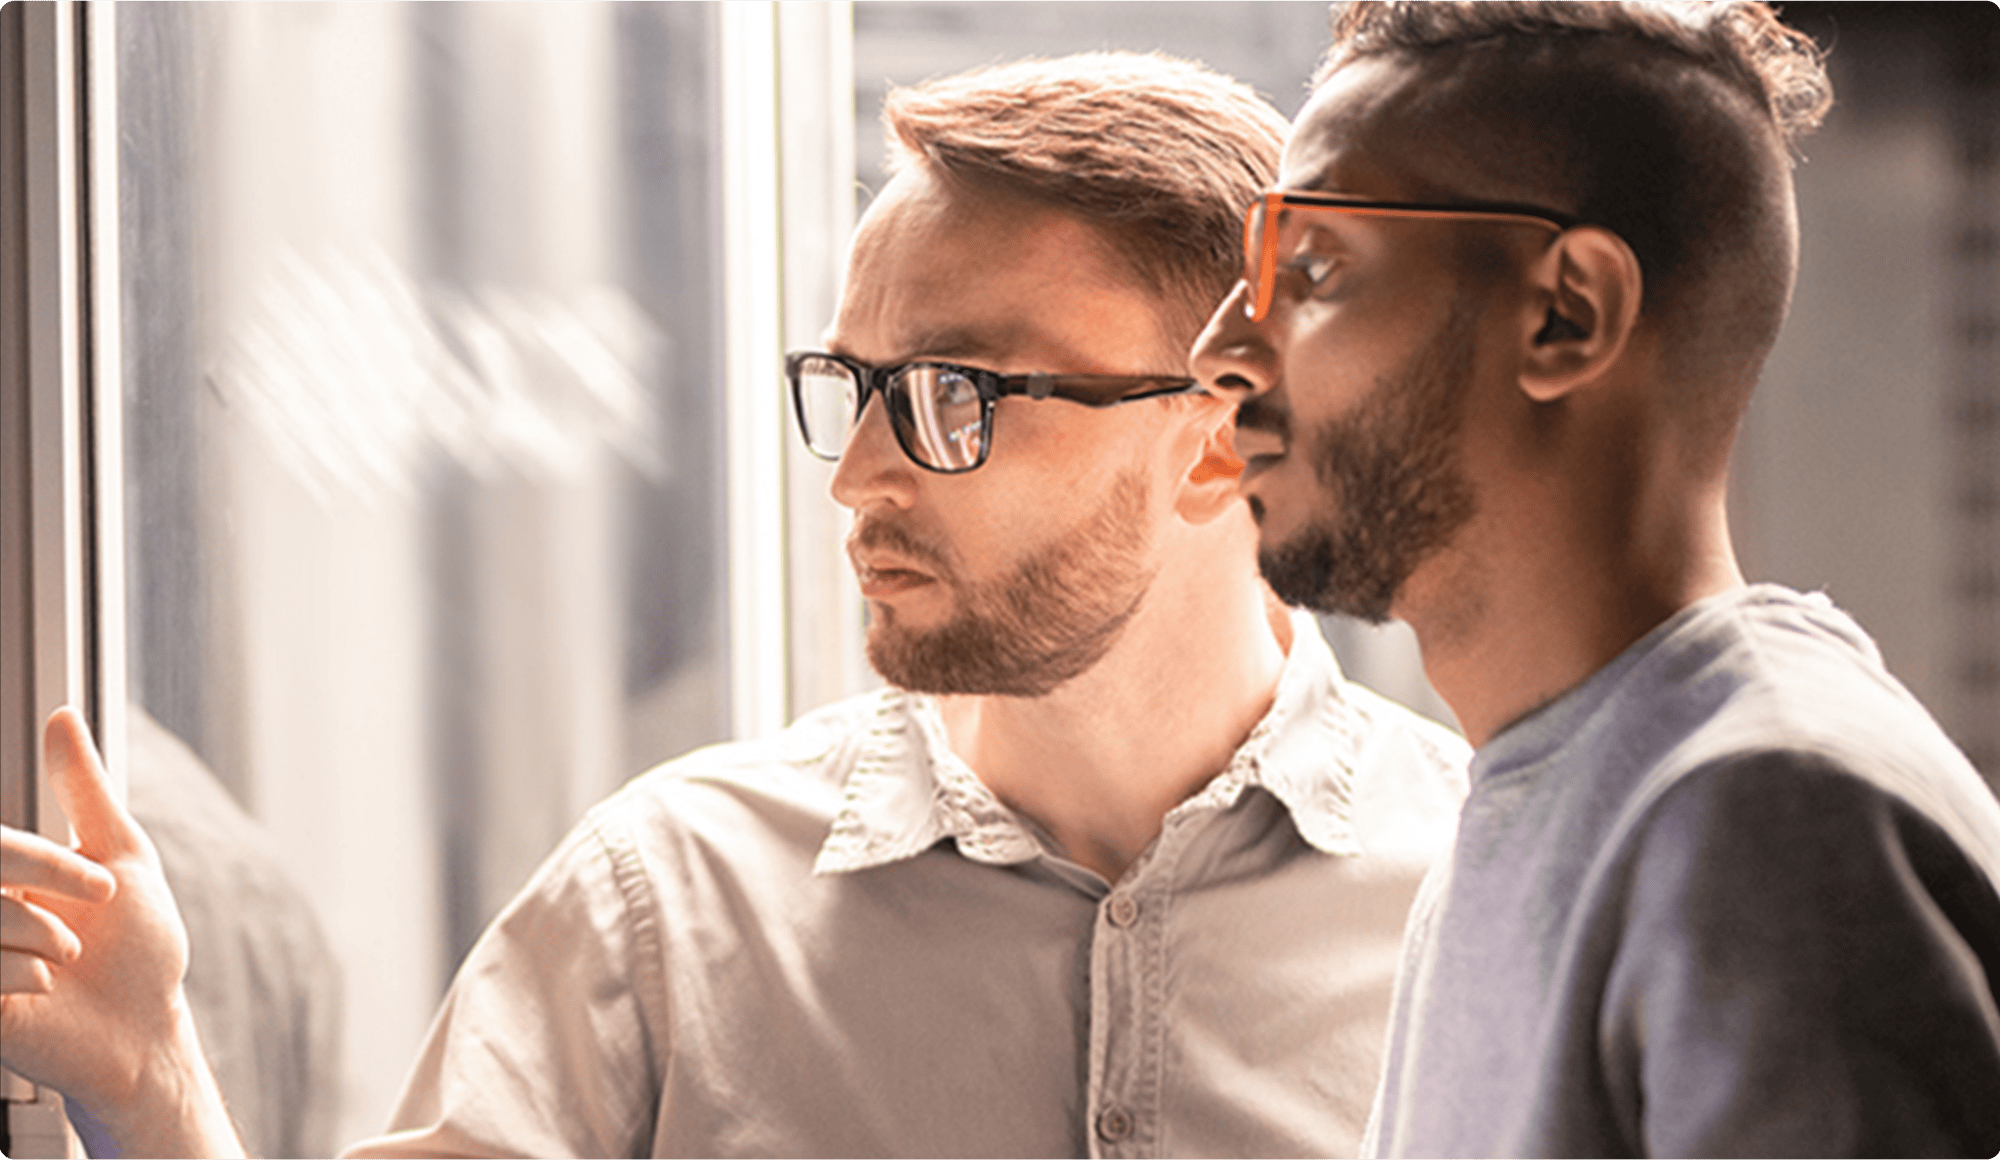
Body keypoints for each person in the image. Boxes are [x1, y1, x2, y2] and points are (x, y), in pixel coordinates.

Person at [1, 52, 1470, 1159]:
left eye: (955, 393)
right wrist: (151, 1084)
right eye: (852, 391)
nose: (861, 481)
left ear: (1226, 430)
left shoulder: (1492, 901)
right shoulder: (666, 903)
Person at [1191, 2, 2000, 1156]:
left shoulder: (1762, 825)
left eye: (1310, 266)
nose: (1218, 348)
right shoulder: (1543, 799)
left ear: (1566, 312)